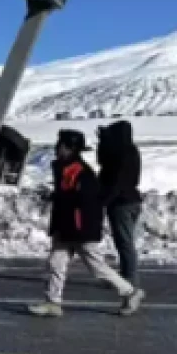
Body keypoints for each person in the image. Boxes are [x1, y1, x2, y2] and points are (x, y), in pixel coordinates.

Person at [28, 129, 146, 317]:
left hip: (79, 228)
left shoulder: (82, 173)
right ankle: (53, 302)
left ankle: (130, 292)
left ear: (70, 148)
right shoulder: (64, 168)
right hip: (66, 226)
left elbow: (87, 203)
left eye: (61, 145)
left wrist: (67, 207)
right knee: (56, 262)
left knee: (96, 267)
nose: (57, 149)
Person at [97, 120, 143, 286]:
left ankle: (129, 278)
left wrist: (103, 201)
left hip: (121, 203)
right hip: (132, 200)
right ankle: (125, 274)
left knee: (124, 242)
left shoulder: (120, 154)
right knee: (124, 240)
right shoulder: (131, 151)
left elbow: (116, 182)